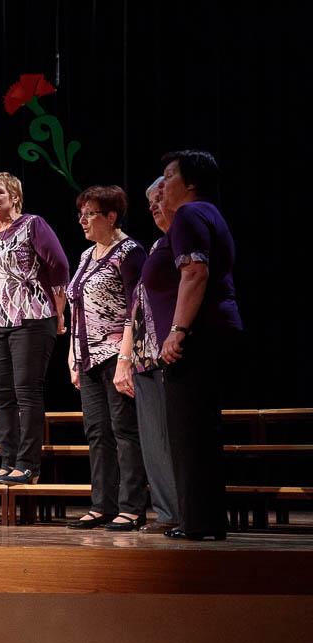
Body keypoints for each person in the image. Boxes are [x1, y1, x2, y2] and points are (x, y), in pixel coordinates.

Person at [154, 150, 242, 540]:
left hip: (199, 332)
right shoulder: (209, 213)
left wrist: (178, 330)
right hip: (215, 328)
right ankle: (205, 520)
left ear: (191, 183)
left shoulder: (190, 214)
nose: (163, 184)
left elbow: (194, 273)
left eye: (169, 176)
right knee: (201, 428)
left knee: (189, 429)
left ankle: (197, 522)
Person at [64, 185, 149, 530]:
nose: (82, 220)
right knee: (97, 432)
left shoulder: (129, 252)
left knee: (124, 430)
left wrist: (125, 360)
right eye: (81, 213)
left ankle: (131, 507)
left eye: (90, 214)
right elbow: (76, 307)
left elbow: (136, 309)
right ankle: (102, 504)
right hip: (87, 357)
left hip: (117, 353)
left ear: (111, 216)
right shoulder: (87, 255)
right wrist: (73, 354)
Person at [0, 172, 69, 485]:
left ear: (15, 197)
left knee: (26, 391)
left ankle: (28, 464)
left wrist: (59, 312)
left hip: (32, 318)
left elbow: (59, 265)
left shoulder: (32, 225)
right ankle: (8, 461)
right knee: (1, 395)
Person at [112, 178, 180, 533]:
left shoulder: (180, 243)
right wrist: (126, 359)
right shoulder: (157, 246)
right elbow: (136, 308)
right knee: (154, 440)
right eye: (149, 202)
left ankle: (181, 512)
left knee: (171, 438)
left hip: (167, 353)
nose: (153, 207)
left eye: (159, 199)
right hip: (144, 356)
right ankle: (168, 513)